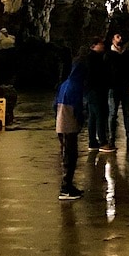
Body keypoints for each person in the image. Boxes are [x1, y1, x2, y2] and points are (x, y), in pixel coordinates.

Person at [54, 52, 86, 200]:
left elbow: (54, 104)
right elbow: (77, 107)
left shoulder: (65, 84)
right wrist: (81, 119)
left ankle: (68, 185)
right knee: (70, 156)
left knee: (67, 154)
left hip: (60, 123)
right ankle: (65, 188)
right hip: (69, 124)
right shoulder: (76, 86)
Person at [106, 31, 129, 152]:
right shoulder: (108, 55)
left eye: (121, 36)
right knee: (113, 113)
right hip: (114, 88)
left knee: (127, 114)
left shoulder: (127, 54)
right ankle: (111, 139)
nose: (120, 39)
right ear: (113, 40)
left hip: (125, 88)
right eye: (118, 37)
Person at [84, 37, 114, 152]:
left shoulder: (91, 58)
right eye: (100, 44)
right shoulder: (95, 59)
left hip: (92, 91)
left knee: (93, 116)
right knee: (100, 115)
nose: (103, 46)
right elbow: (98, 75)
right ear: (93, 46)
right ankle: (103, 142)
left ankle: (93, 142)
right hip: (97, 91)